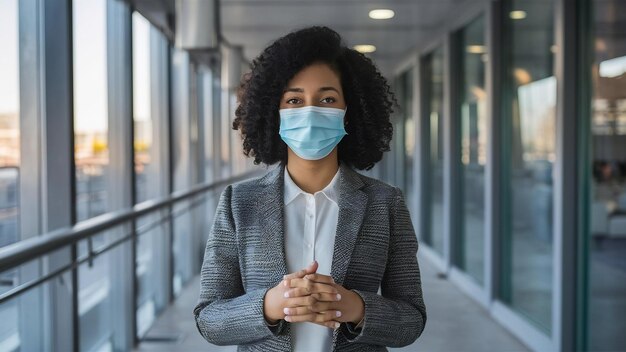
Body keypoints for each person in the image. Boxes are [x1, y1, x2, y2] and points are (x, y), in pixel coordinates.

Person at [193, 25, 427, 351]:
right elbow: (209, 319)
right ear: (274, 113)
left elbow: (412, 318)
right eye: (294, 100)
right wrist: (271, 305)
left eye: (327, 98)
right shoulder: (238, 203)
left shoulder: (385, 203)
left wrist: (355, 308)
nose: (310, 111)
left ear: (350, 112)